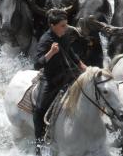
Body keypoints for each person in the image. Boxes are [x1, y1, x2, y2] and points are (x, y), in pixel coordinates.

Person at [33, 9, 87, 155]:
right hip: (51, 79)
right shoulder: (45, 40)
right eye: (63, 25)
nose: (66, 27)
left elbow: (71, 52)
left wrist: (82, 66)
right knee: (39, 109)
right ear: (52, 25)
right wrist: (50, 53)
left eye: (66, 24)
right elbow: (37, 64)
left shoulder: (64, 35)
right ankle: (39, 145)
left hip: (69, 74)